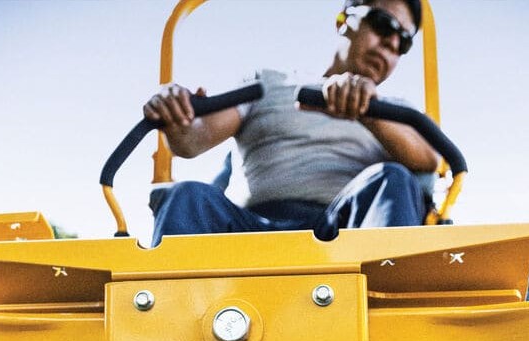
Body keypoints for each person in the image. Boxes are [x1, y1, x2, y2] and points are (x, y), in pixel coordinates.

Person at [144, 0, 440, 246]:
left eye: (403, 42)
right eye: (383, 24)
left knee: (393, 177)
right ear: (344, 21)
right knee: (186, 195)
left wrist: (369, 111)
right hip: (250, 230)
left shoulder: (398, 113)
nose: (391, 42)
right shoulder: (269, 84)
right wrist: (175, 113)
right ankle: (167, 311)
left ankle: (383, 303)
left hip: (346, 232)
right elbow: (191, 141)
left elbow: (429, 158)